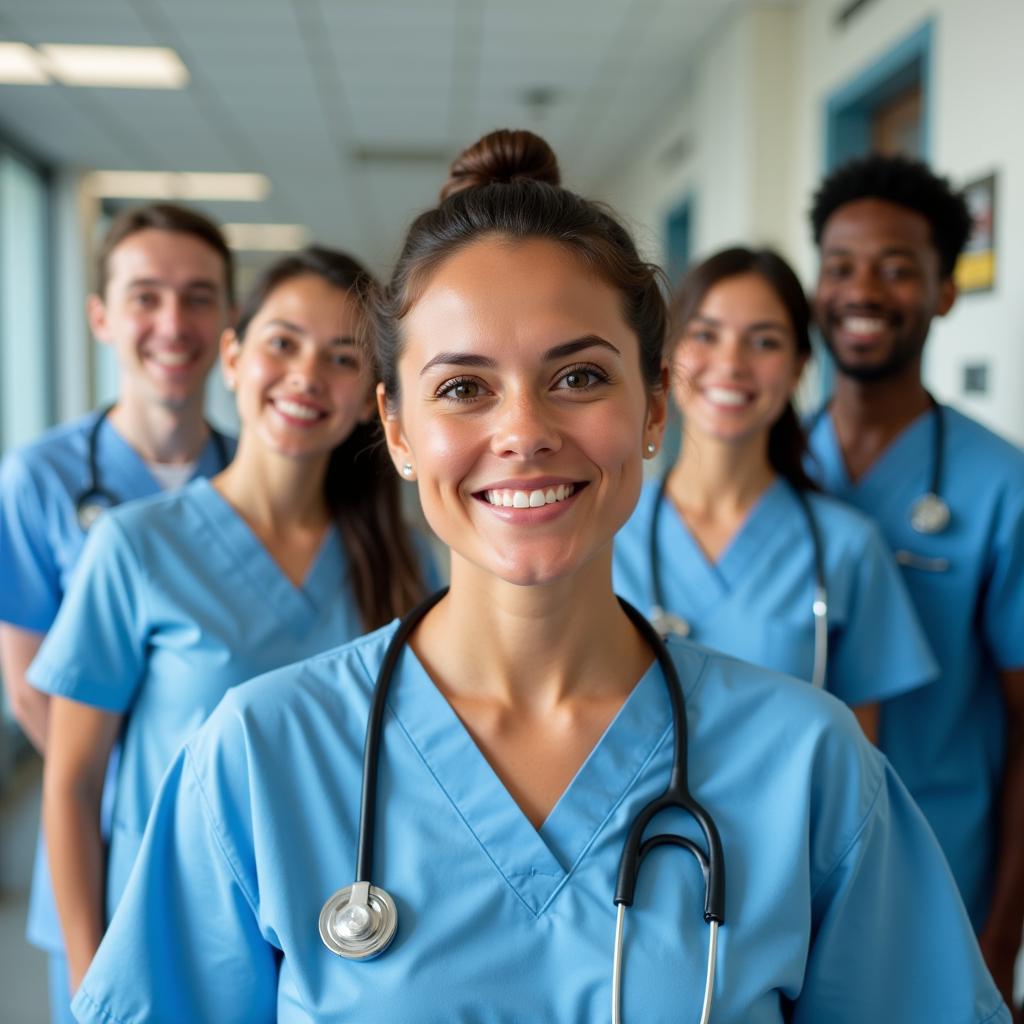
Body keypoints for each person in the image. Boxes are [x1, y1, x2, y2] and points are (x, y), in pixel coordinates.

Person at [70, 132, 1006, 1023]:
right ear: (396, 430)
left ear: (652, 407)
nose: (523, 431)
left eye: (579, 378)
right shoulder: (260, 757)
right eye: (463, 388)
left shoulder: (809, 766)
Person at [27, 245, 435, 993]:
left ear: (373, 396)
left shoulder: (405, 564)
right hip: (175, 945)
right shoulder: (137, 548)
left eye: (342, 358)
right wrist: (94, 986)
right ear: (235, 358)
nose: (307, 376)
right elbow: (73, 784)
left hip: (347, 946)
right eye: (283, 343)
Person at [0, 202, 236, 1023]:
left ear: (228, 320)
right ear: (101, 316)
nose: (174, 322)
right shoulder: (38, 479)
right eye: (145, 295)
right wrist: (122, 791)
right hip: (101, 842)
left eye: (200, 296)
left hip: (232, 843)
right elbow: (31, 688)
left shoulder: (256, 486)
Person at [805, 154, 1024, 1009]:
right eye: (841, 265)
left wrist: (1002, 939)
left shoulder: (998, 485)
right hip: (787, 876)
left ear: (943, 292)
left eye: (898, 269)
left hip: (946, 878)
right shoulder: (770, 475)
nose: (863, 290)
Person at [613, 247, 936, 739]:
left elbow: (859, 764)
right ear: (669, 354)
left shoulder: (847, 547)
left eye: (764, 342)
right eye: (705, 334)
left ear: (798, 367)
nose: (731, 363)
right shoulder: (606, 529)